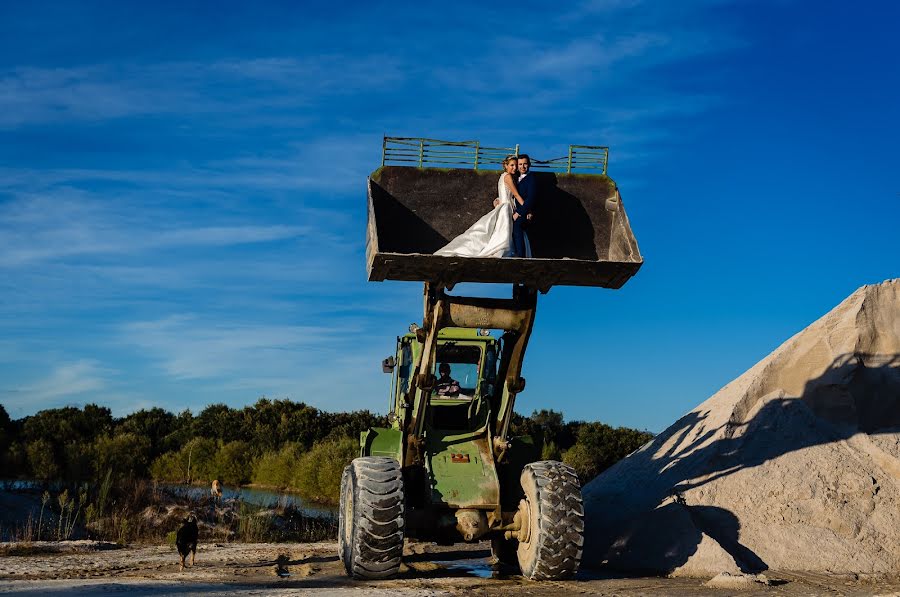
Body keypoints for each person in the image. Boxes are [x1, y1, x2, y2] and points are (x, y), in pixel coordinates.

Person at [434, 155, 531, 258]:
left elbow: (504, 193)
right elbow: (515, 194)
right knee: (503, 233)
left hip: (504, 206)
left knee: (497, 232)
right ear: (505, 165)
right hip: (506, 208)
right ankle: (501, 251)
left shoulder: (502, 176)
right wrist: (527, 208)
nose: (515, 168)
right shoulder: (508, 177)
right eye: (512, 165)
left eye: (516, 165)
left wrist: (498, 200)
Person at [512, 154, 537, 258]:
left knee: (517, 226)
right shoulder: (515, 177)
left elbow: (531, 199)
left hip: (523, 212)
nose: (522, 167)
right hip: (512, 208)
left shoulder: (532, 179)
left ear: (529, 165)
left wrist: (519, 213)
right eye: (520, 164)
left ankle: (520, 256)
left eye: (525, 164)